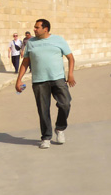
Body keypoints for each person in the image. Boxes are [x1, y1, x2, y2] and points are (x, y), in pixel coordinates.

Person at [15, 19, 75, 150]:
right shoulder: (31, 42)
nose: (34, 29)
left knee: (65, 104)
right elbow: (25, 62)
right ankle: (46, 137)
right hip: (39, 81)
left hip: (58, 79)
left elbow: (70, 57)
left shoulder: (58, 40)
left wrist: (70, 74)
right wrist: (19, 80)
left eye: (37, 27)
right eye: (34, 27)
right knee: (43, 110)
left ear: (45, 29)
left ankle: (60, 128)